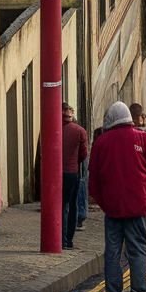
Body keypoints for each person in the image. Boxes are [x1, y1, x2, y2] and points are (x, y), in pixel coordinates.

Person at [88, 101, 146, 292]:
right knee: (137, 248)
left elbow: (93, 180)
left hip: (112, 207)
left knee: (112, 251)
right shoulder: (144, 138)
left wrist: (105, 203)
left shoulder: (101, 142)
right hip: (138, 205)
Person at [61, 103, 87, 250]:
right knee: (72, 205)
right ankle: (68, 239)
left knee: (60, 206)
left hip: (56, 174)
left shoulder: (53, 129)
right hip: (72, 172)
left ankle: (60, 238)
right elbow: (83, 154)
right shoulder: (80, 131)